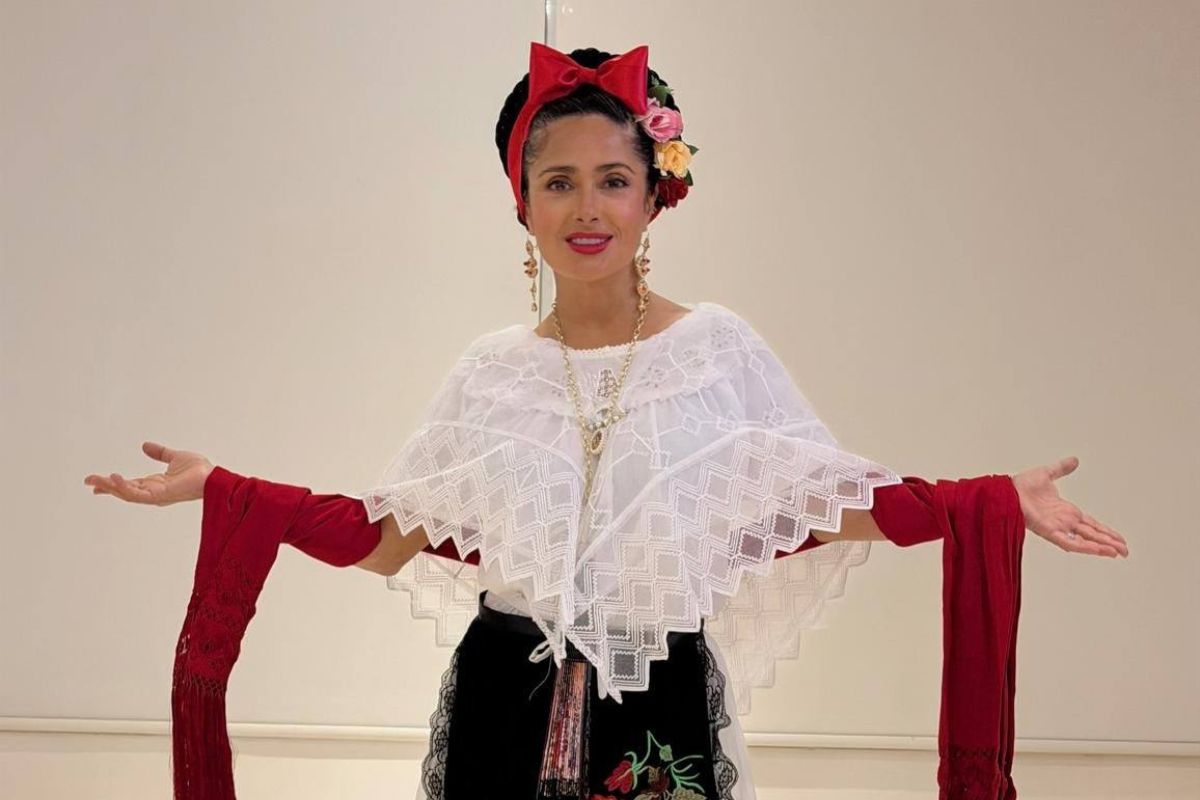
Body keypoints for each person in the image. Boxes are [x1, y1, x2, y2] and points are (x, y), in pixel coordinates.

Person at [85, 42, 1129, 800]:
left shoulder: (713, 351)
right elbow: (386, 534)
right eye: (559, 182)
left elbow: (818, 504)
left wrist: (986, 499)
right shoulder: (490, 373)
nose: (587, 208)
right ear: (522, 202)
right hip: (501, 700)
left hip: (656, 705)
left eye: (613, 181)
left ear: (652, 196)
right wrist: (230, 489)